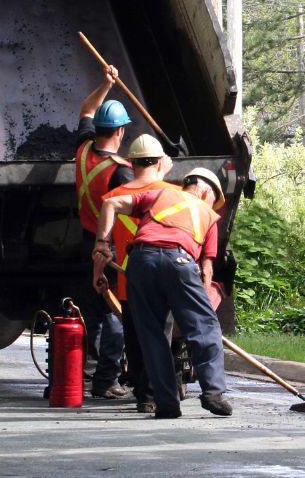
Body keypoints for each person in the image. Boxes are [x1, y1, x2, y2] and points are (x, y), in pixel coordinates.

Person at [92, 168, 232, 419]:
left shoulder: (158, 195)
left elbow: (110, 203)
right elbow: (206, 269)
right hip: (179, 260)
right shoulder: (208, 215)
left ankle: (166, 404)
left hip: (139, 262)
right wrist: (201, 306)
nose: (213, 205)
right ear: (204, 191)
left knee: (153, 336)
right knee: (205, 327)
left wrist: (102, 244)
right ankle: (213, 393)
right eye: (214, 199)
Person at [95, 134, 177, 414]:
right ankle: (156, 393)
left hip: (129, 281)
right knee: (161, 337)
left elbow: (102, 245)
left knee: (136, 339)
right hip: (164, 279)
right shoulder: (171, 193)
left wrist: (98, 274)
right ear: (159, 162)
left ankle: (144, 397)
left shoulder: (115, 197)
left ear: (130, 163)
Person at [74, 65, 133, 400]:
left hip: (85, 239)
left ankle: (86, 374)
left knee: (93, 311)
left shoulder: (82, 149)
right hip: (108, 248)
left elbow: (86, 109)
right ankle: (106, 380)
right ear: (121, 132)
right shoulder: (120, 174)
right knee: (115, 314)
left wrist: (106, 84)